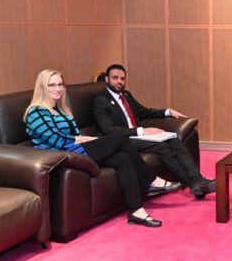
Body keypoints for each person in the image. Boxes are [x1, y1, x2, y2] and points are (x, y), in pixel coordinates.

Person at [24, 69, 171, 228]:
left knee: (124, 158)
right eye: (52, 85)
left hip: (75, 150)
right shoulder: (36, 112)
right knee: (121, 139)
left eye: (60, 84)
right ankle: (151, 179)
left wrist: (82, 139)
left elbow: (74, 134)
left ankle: (136, 211)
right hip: (60, 157)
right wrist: (82, 139)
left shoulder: (60, 110)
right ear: (42, 87)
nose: (58, 88)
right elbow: (57, 140)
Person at [92, 64, 216, 199]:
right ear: (107, 79)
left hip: (138, 135)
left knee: (173, 140)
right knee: (161, 146)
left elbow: (143, 111)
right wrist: (141, 131)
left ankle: (197, 179)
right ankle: (194, 184)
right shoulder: (101, 101)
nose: (119, 82)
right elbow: (109, 130)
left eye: (122, 79)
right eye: (115, 78)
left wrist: (167, 111)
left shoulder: (126, 95)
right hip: (123, 139)